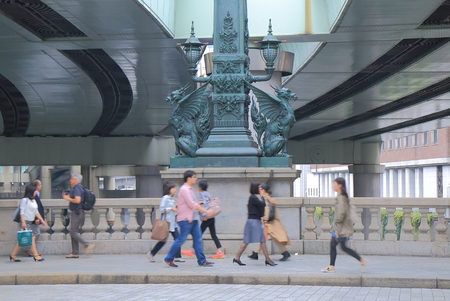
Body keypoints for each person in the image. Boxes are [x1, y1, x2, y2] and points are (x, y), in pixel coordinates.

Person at [163, 170, 215, 267]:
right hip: (185, 220)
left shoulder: (190, 189)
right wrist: (207, 211)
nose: (196, 179)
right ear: (188, 178)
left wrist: (198, 205)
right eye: (194, 176)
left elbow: (190, 204)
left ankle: (202, 260)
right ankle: (169, 258)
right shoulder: (185, 189)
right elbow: (192, 205)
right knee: (181, 240)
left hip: (193, 219)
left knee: (198, 239)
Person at [321, 177, 367, 273]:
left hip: (340, 227)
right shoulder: (341, 196)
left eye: (335, 184)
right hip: (341, 227)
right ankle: (361, 260)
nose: (333, 186)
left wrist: (337, 223)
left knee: (334, 245)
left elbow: (341, 213)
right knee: (342, 247)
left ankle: (332, 266)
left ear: (340, 185)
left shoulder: (341, 197)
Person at [233, 182, 276, 267]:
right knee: (260, 240)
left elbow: (261, 210)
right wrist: (263, 196)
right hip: (253, 222)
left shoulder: (254, 198)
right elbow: (263, 204)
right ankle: (267, 259)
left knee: (248, 241)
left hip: (253, 221)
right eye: (259, 188)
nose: (260, 190)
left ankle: (237, 258)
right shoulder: (252, 197)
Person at [181, 180, 224, 259]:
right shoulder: (208, 194)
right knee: (213, 234)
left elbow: (204, 205)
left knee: (198, 234)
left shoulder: (202, 194)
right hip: (211, 217)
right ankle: (220, 251)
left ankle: (191, 250)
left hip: (206, 218)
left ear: (200, 187)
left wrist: (204, 215)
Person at [248, 185, 291, 261]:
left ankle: (285, 252)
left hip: (269, 222)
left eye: (260, 189)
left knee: (270, 237)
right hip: (272, 222)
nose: (259, 190)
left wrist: (265, 220)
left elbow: (266, 209)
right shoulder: (268, 197)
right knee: (267, 237)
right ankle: (256, 253)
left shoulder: (265, 198)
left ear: (264, 190)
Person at [147, 183, 184, 263]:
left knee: (177, 239)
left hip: (172, 223)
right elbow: (161, 209)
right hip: (167, 223)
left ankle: (177, 256)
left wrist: (175, 207)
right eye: (173, 188)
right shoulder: (165, 198)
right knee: (163, 240)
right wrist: (171, 208)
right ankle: (151, 253)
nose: (175, 190)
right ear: (169, 189)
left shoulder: (170, 199)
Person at [10, 184, 47, 262]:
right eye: (34, 191)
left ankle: (13, 254)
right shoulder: (25, 200)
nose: (36, 192)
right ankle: (36, 255)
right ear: (31, 192)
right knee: (31, 239)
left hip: (31, 221)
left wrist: (42, 220)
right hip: (26, 221)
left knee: (26, 238)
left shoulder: (33, 200)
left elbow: (36, 211)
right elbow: (22, 211)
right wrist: (23, 222)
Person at [62, 173, 95, 258]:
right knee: (74, 231)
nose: (70, 180)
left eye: (72, 178)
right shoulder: (79, 188)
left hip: (77, 212)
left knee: (73, 231)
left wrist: (67, 198)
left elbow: (77, 200)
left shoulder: (77, 188)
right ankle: (75, 252)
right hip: (78, 212)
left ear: (76, 180)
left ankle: (87, 245)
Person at [24, 180, 45, 257]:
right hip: (31, 219)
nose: (41, 186)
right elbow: (33, 208)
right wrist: (37, 218)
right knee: (35, 234)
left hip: (33, 218)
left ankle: (31, 250)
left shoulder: (35, 194)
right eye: (40, 185)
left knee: (33, 234)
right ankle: (30, 250)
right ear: (36, 186)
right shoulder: (32, 196)